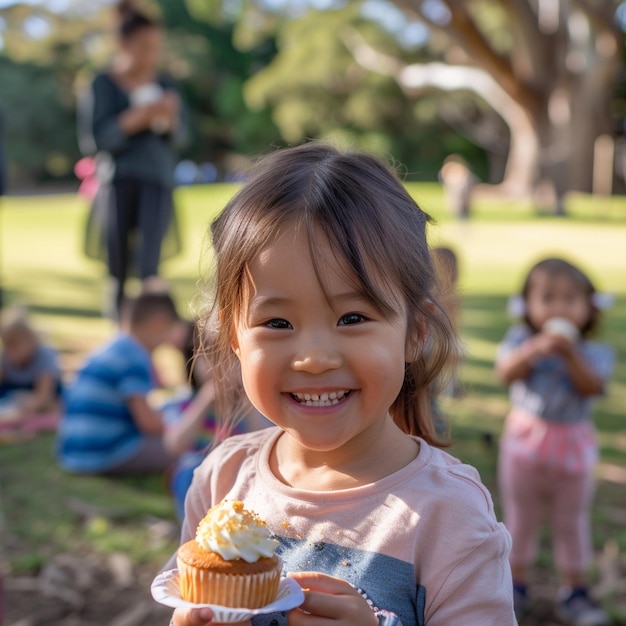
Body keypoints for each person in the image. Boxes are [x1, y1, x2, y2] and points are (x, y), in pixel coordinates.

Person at [164, 143, 516, 626]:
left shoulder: (449, 518)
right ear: (234, 337)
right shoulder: (221, 482)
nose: (313, 359)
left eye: (352, 317)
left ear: (415, 332)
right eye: (277, 323)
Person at [495, 258, 614, 626]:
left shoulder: (594, 352)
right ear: (528, 304)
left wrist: (568, 354)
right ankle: (514, 587)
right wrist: (534, 351)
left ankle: (575, 592)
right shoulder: (520, 342)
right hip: (524, 446)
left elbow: (592, 387)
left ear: (589, 307)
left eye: (570, 299)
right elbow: (505, 372)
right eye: (548, 298)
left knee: (571, 521)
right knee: (521, 519)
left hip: (573, 450)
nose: (559, 308)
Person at [77, 0, 186, 319]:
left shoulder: (165, 85)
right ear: (123, 44)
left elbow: (180, 139)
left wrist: (169, 118)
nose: (152, 54)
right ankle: (118, 330)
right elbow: (94, 140)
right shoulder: (102, 83)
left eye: (156, 47)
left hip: (157, 182)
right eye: (144, 46)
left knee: (150, 267)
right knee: (118, 267)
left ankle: (149, 333)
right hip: (118, 183)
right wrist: (135, 118)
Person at [57, 291, 179, 475]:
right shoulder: (135, 356)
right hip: (104, 452)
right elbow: (149, 424)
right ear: (158, 323)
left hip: (72, 451)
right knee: (181, 447)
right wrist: (173, 422)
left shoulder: (113, 348)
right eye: (169, 330)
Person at [162, 320, 270, 520]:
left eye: (229, 358)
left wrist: (247, 404)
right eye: (209, 357)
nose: (219, 367)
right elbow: (174, 444)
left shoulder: (253, 407)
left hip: (239, 476)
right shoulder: (186, 402)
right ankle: (195, 530)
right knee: (190, 472)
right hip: (197, 477)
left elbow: (262, 446)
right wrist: (204, 401)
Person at [0, 307, 62, 423]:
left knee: (54, 406)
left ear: (31, 340)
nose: (11, 352)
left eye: (15, 346)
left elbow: (44, 394)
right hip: (14, 396)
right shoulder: (6, 358)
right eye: (7, 346)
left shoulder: (44, 356)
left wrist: (27, 409)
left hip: (42, 396)